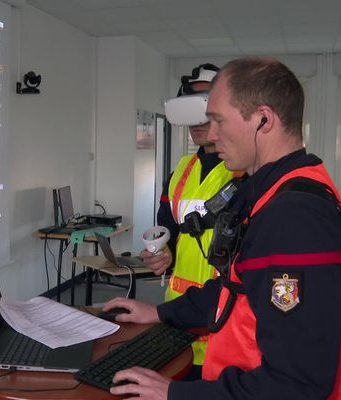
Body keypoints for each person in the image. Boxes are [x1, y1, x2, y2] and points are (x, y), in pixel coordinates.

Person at [104, 57, 341, 399]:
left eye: (218, 120)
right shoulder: (270, 194)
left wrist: (176, 394)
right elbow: (236, 288)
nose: (210, 134)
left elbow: (297, 383)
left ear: (264, 119)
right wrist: (158, 311)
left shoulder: (294, 217)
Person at [142, 63, 237, 371]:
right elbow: (166, 229)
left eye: (204, 106)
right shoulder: (180, 171)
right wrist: (161, 254)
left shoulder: (244, 171)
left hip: (224, 328)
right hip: (177, 322)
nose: (195, 119)